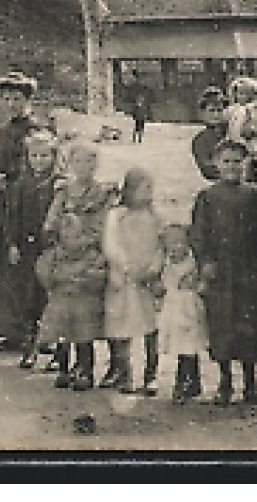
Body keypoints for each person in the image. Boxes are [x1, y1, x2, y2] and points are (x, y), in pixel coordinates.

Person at [191, 138, 257, 407]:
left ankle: (250, 385)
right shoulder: (207, 198)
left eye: (237, 162)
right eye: (226, 161)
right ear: (216, 164)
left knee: (249, 329)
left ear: (246, 164)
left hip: (248, 273)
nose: (232, 167)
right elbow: (198, 234)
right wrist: (205, 262)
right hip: (220, 273)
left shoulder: (254, 196)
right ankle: (224, 382)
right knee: (222, 328)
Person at [38, 142, 115, 391]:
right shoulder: (63, 192)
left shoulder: (102, 194)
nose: (84, 167)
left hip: (87, 257)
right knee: (61, 317)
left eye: (90, 162)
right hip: (63, 254)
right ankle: (62, 367)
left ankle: (85, 369)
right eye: (79, 162)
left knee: (84, 319)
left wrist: (86, 241)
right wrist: (56, 235)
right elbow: (51, 221)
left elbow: (105, 226)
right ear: (70, 164)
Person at [0, 71, 39, 351]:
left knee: (27, 265)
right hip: (4, 203)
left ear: (28, 99)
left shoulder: (37, 131)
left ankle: (34, 329)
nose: (12, 104)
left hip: (27, 202)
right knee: (0, 262)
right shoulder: (0, 132)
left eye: (17, 99)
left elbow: (42, 166)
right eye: (7, 99)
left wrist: (15, 178)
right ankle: (9, 329)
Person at [102, 167, 165, 395]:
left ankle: (151, 375)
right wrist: (127, 268)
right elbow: (111, 245)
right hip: (124, 279)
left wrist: (153, 269)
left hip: (146, 280)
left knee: (150, 327)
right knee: (122, 327)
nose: (148, 194)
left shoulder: (155, 217)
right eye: (144, 189)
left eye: (151, 189)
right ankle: (125, 373)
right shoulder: (116, 216)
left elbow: (161, 247)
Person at [1, 129, 59, 369]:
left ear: (55, 157)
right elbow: (11, 217)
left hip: (50, 249)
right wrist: (12, 244)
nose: (39, 161)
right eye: (35, 156)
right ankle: (29, 347)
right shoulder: (20, 185)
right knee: (28, 299)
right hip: (27, 247)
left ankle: (57, 351)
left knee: (54, 299)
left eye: (45, 156)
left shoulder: (59, 185)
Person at [158, 223, 207, 403]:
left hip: (189, 309)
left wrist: (196, 285)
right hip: (174, 311)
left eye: (180, 243)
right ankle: (190, 381)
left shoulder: (192, 264)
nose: (175, 248)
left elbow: (200, 284)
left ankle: (185, 382)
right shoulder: (167, 265)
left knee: (189, 346)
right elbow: (163, 285)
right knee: (181, 347)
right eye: (171, 245)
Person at [189, 87, 230, 183]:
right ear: (203, 113)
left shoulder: (233, 132)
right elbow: (208, 171)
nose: (216, 115)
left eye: (219, 110)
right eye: (211, 110)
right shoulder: (200, 140)